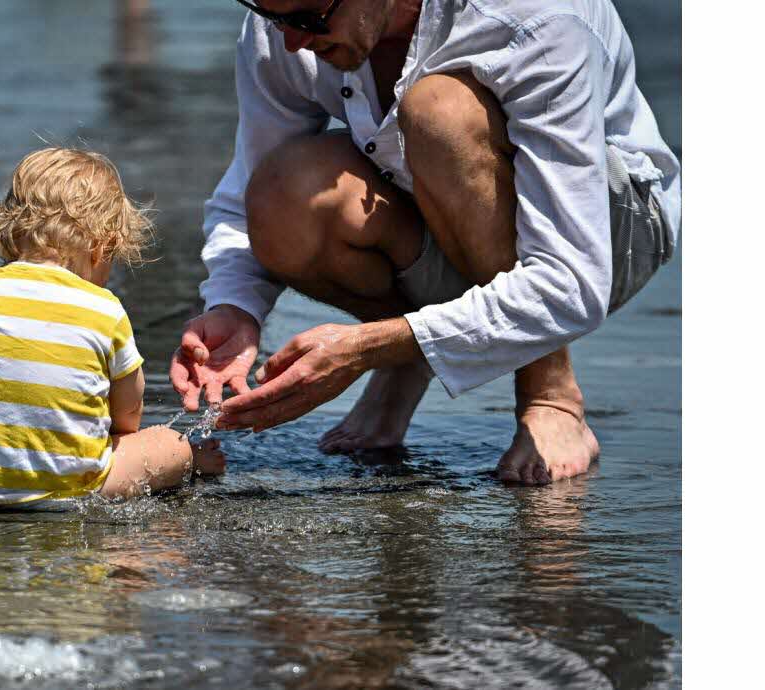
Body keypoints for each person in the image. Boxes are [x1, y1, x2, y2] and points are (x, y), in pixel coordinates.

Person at [169, 0, 679, 484]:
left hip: (605, 233)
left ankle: (550, 393)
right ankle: (410, 357)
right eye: (269, 14)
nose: (293, 40)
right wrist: (235, 307)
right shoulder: (286, 16)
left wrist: (364, 349)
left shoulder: (537, 17)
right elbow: (244, 191)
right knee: (285, 189)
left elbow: (572, 283)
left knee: (439, 112)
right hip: (436, 210)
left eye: (311, 17)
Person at [0, 147, 225, 508]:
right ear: (102, 246)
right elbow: (127, 415)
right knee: (168, 444)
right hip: (75, 490)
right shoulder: (103, 308)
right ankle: (195, 461)